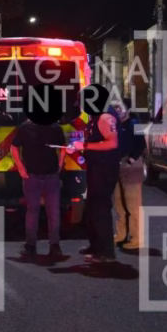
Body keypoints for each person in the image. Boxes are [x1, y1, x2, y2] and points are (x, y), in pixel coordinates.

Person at [69, 88, 120, 263]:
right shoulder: (95, 117)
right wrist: (79, 146)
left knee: (101, 208)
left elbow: (112, 143)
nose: (82, 106)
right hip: (95, 168)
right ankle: (95, 245)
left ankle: (106, 252)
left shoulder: (106, 118)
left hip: (105, 169)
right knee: (92, 207)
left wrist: (86, 146)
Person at [11, 118, 66, 257]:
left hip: (51, 175)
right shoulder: (25, 127)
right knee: (32, 211)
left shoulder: (55, 127)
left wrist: (60, 164)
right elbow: (14, 147)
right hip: (32, 176)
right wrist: (20, 167)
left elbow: (63, 147)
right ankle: (30, 245)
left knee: (53, 212)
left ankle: (54, 245)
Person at [113, 99, 146, 250]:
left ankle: (136, 239)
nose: (117, 111)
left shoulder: (135, 124)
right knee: (119, 205)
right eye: (115, 108)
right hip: (118, 165)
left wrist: (131, 160)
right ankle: (120, 235)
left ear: (128, 109)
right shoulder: (117, 126)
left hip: (131, 167)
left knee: (133, 205)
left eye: (120, 108)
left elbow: (142, 145)